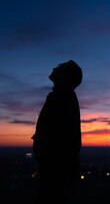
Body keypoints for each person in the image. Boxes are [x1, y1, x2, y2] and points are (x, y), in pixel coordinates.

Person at [32, 60, 82, 204]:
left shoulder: (64, 97)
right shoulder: (61, 96)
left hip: (56, 172)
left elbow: (61, 139)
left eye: (60, 67)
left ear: (66, 76)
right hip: (55, 170)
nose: (55, 67)